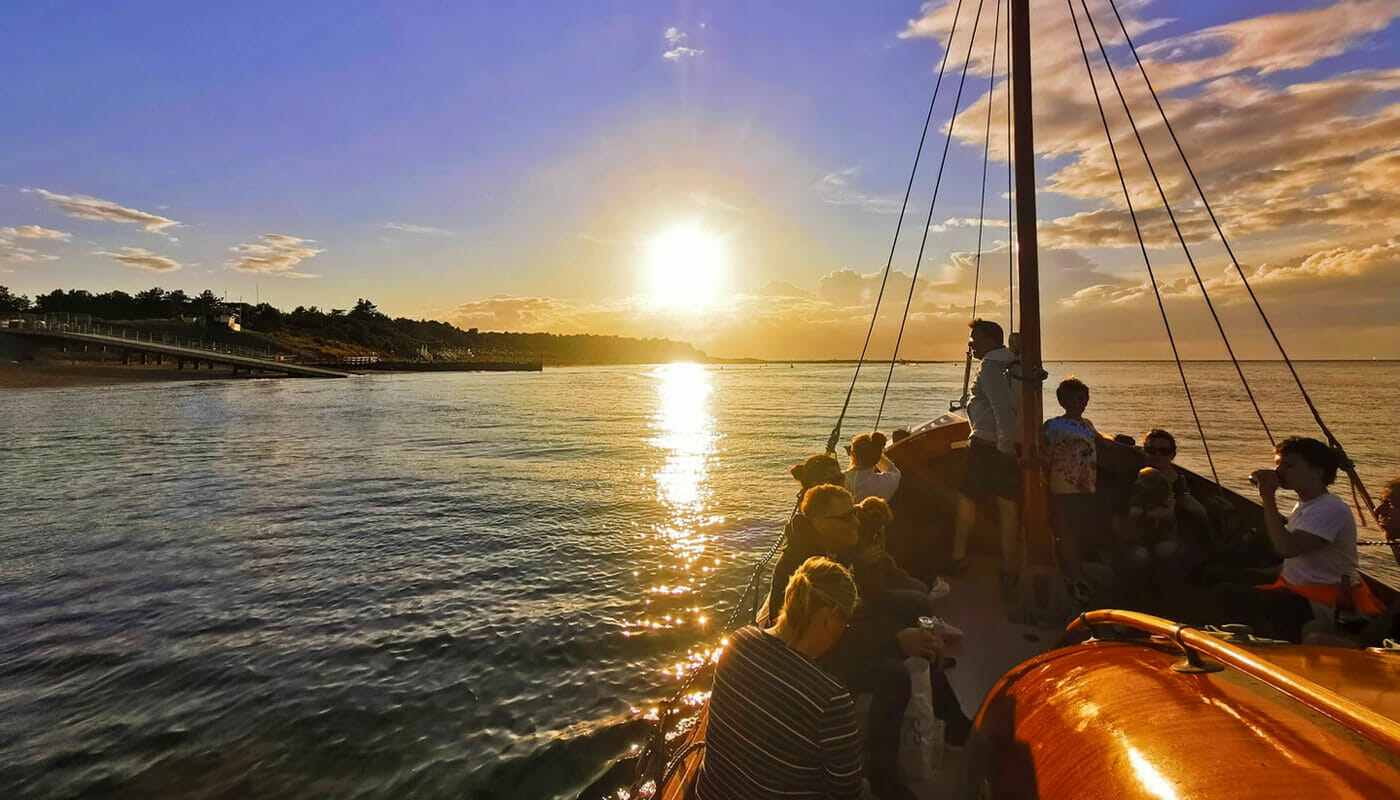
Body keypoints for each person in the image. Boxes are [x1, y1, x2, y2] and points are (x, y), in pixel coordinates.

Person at [694, 557, 863, 800]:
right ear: (830, 617)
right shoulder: (830, 699)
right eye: (844, 624)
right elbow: (846, 793)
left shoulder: (737, 643)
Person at [1222, 437, 1383, 640]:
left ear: (1318, 471)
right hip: (1298, 588)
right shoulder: (1307, 505)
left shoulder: (1330, 507)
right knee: (1219, 573)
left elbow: (1286, 548)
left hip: (1320, 599)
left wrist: (1268, 497)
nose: (1279, 470)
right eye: (1278, 464)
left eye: (1289, 465)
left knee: (1227, 595)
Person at [952, 319, 1021, 580]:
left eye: (974, 341)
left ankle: (958, 556)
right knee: (1008, 505)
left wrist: (1004, 448)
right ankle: (1008, 566)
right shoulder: (1013, 363)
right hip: (1004, 444)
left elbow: (1002, 410)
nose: (971, 348)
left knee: (966, 499)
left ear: (990, 340)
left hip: (987, 444)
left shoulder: (991, 367)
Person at [1043, 377, 1102, 585]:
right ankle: (1072, 574)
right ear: (1063, 401)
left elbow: (1100, 442)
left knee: (1077, 531)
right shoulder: (1054, 425)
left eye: (1083, 398)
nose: (1080, 403)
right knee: (1065, 533)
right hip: (1063, 487)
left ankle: (1075, 569)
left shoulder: (1087, 425)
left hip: (1085, 487)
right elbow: (1046, 453)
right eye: (1075, 399)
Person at [845, 431, 901, 502]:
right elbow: (893, 471)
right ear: (877, 458)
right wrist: (876, 452)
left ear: (852, 454)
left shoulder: (840, 479)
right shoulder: (884, 482)